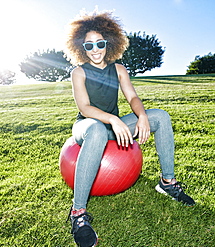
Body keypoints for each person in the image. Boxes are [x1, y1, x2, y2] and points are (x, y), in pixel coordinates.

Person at [64, 10, 195, 247]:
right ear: (81, 47)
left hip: (112, 126)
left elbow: (132, 97)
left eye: (100, 43)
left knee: (161, 117)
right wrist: (114, 120)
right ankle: (78, 213)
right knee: (95, 128)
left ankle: (167, 183)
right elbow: (85, 107)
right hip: (87, 126)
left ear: (109, 43)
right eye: (89, 45)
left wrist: (142, 116)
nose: (95, 49)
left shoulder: (119, 69)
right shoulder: (79, 72)